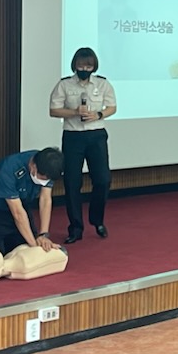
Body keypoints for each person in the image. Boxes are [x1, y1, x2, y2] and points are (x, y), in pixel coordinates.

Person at [49, 47, 117, 243]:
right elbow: (53, 110)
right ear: (75, 65)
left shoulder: (103, 83)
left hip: (96, 135)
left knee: (103, 180)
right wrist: (74, 112)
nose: (84, 69)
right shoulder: (64, 84)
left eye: (88, 66)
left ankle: (97, 220)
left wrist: (98, 114)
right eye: (81, 66)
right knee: (72, 183)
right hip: (73, 136)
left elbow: (112, 107)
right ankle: (76, 228)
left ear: (94, 66)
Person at [0, 147, 65, 264]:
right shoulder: (9, 169)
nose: (44, 182)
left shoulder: (49, 166)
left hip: (21, 205)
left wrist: (43, 235)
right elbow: (18, 214)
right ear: (33, 166)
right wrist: (34, 246)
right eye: (43, 179)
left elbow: (45, 200)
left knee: (20, 253)